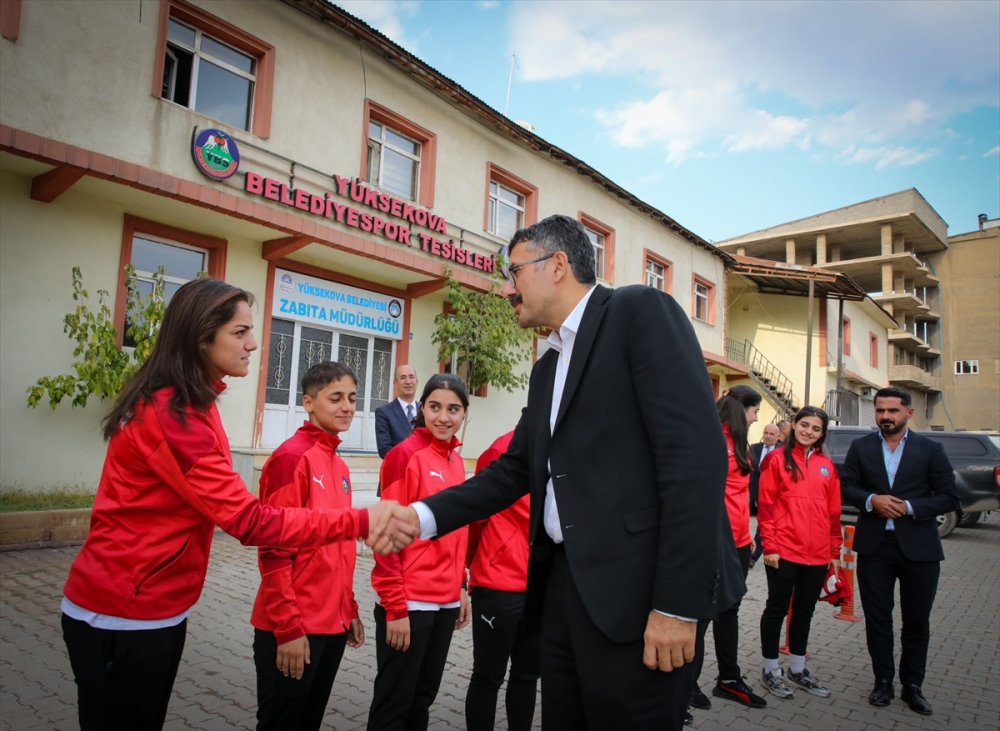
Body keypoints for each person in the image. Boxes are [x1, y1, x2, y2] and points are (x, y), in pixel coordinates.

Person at [391, 214, 742, 731]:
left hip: (638, 600)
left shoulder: (638, 313)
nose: (507, 289)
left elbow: (694, 460)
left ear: (557, 265)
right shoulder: (548, 367)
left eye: (514, 272)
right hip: (562, 593)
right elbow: (514, 471)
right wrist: (420, 517)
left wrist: (677, 606)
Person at [59, 278, 414, 731]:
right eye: (240, 332)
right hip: (122, 611)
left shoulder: (195, 402)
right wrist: (362, 520)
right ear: (201, 336)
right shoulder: (173, 415)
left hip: (154, 604)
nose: (253, 344)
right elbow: (250, 522)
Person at [251, 361, 366, 731]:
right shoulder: (291, 458)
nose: (347, 407)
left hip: (331, 624)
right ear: (308, 402)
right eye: (336, 398)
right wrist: (287, 628)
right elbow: (273, 549)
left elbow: (340, 545)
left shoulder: (339, 466)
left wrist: (349, 607)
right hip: (294, 627)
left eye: (352, 398)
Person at [840, 387, 958, 717]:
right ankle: (883, 681)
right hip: (875, 548)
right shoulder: (861, 447)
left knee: (916, 621)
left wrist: (909, 507)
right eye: (880, 410)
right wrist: (871, 500)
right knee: (878, 619)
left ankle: (912, 685)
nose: (885, 416)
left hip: (919, 549)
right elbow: (846, 486)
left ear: (909, 413)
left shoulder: (930, 450)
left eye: (893, 410)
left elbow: (949, 497)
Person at [367, 373, 473, 730]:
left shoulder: (456, 462)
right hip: (409, 603)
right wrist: (395, 606)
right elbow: (384, 534)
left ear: (464, 413)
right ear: (422, 409)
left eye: (453, 409)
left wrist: (461, 585)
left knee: (422, 700)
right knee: (394, 704)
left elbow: (458, 530)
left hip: (445, 602)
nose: (443, 417)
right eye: (435, 407)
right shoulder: (403, 456)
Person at [689, 386, 768, 717]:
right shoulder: (714, 444)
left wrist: (747, 535)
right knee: (702, 615)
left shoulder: (739, 445)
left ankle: (729, 678)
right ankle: (684, 685)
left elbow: (738, 498)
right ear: (741, 411)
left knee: (729, 611)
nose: (757, 418)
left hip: (738, 541)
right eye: (755, 411)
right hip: (716, 543)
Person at [757, 405, 842, 701]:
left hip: (817, 554)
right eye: (804, 425)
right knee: (777, 608)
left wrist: (834, 550)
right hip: (783, 551)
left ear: (822, 434)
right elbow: (766, 506)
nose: (809, 431)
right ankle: (771, 669)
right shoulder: (776, 460)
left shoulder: (827, 466)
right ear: (793, 425)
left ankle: (797, 668)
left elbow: (834, 513)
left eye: (816, 428)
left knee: (805, 611)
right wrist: (770, 545)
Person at [465, 430, 539, 731]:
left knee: (527, 675)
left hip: (541, 586)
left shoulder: (562, 445)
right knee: (488, 676)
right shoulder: (501, 449)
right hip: (498, 584)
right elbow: (477, 512)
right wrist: (474, 561)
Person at [749, 422, 782, 567]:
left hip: (772, 495)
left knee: (763, 524)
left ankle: (753, 556)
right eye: (765, 433)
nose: (768, 436)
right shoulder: (754, 448)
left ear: (778, 436)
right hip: (755, 492)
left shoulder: (783, 451)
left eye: (771, 434)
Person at [375, 365, 419, 458]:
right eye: (403, 377)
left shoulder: (426, 410)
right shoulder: (384, 412)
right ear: (395, 383)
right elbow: (384, 450)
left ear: (416, 381)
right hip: (400, 465)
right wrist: (414, 461)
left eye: (411, 377)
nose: (408, 381)